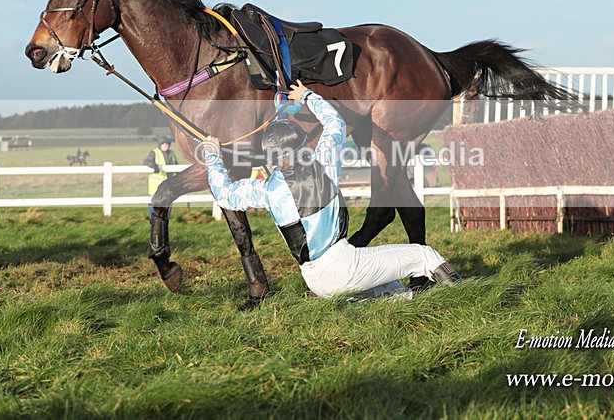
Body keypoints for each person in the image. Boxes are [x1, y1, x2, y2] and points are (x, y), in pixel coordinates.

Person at [201, 80, 461, 299]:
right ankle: (466, 297)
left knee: (393, 291)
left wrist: (213, 157)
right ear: (302, 146)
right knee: (424, 255)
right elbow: (334, 123)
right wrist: (308, 96)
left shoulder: (265, 190)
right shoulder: (323, 164)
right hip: (345, 265)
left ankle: (402, 299)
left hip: (315, 282)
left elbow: (224, 194)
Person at [144, 136, 178, 217]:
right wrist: (154, 166)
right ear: (159, 144)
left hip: (169, 185)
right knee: (154, 205)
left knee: (168, 203)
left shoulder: (172, 153)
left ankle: (166, 219)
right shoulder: (154, 153)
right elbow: (147, 161)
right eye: (163, 143)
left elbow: (176, 166)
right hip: (156, 186)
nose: (165, 145)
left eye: (167, 143)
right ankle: (152, 220)